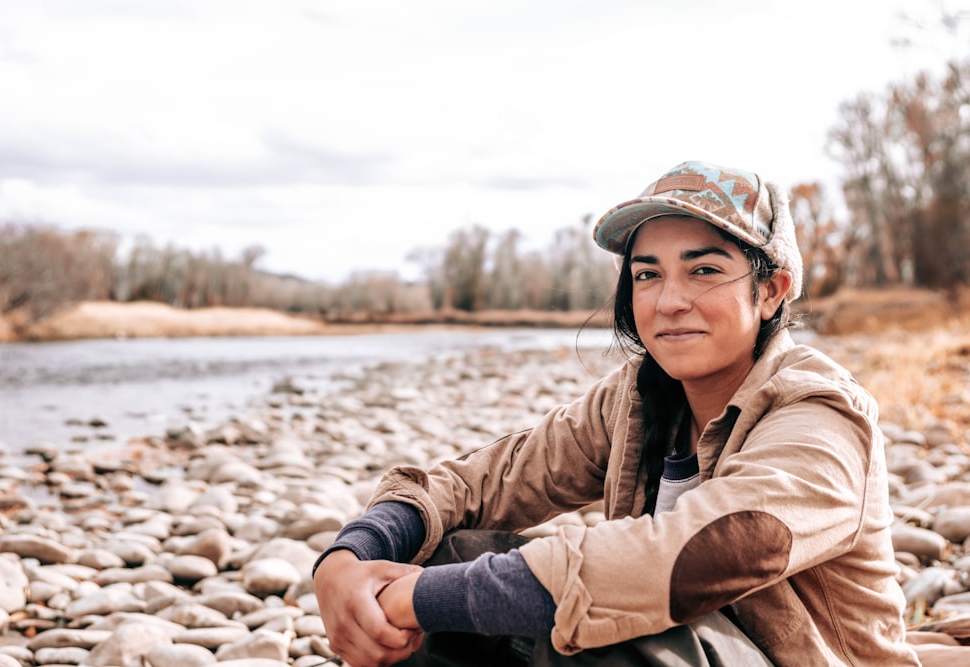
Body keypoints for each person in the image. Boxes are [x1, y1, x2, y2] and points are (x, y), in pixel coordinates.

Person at [313, 160, 920, 666]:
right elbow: (483, 481)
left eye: (704, 270)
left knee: (615, 623)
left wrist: (418, 599)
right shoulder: (639, 397)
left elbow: (692, 556)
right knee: (448, 551)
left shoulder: (821, 413)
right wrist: (351, 559)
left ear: (770, 291)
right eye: (646, 275)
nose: (670, 301)